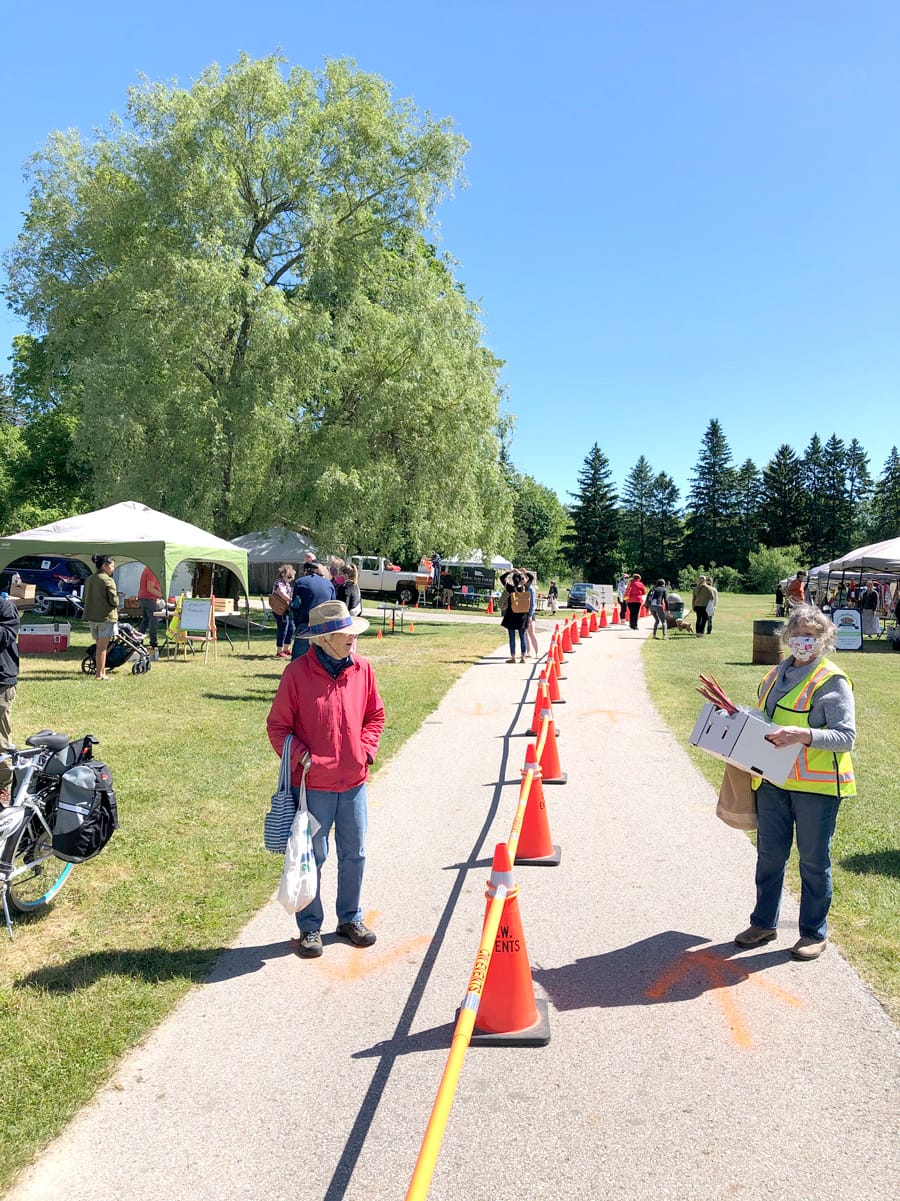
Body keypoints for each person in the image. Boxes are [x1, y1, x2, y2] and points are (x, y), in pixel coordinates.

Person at [734, 605, 856, 961]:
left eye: (814, 637)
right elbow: (765, 720)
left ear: (825, 641)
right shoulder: (774, 675)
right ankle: (763, 924)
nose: (805, 642)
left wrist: (802, 735)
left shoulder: (831, 680)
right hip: (773, 780)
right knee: (769, 856)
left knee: (814, 862)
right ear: (787, 637)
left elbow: (846, 737)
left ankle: (813, 933)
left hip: (816, 788)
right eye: (799, 634)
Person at [267, 600, 385, 959]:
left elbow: (375, 716)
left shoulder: (363, 669)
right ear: (323, 639)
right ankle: (309, 927)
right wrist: (305, 758)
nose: (352, 639)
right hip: (314, 786)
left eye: (352, 633)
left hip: (353, 782)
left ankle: (350, 918)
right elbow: (278, 727)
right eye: (344, 634)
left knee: (356, 854)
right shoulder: (296, 674)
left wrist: (364, 750)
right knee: (312, 857)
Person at [82, 554, 119, 680]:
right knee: (102, 648)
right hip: (105, 618)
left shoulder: (90, 579)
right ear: (104, 566)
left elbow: (84, 598)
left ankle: (102, 672)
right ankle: (100, 674)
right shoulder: (108, 580)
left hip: (92, 617)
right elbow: (114, 601)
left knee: (99, 647)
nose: (113, 569)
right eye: (112, 566)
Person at [290, 561, 336, 661]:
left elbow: (295, 605)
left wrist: (297, 622)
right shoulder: (329, 584)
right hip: (324, 625)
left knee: (299, 657)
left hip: (306, 623)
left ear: (306, 570)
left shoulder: (300, 582)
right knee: (322, 656)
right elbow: (333, 605)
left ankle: (296, 675)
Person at [0, 593, 20, 804]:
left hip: (1, 681)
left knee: (0, 739)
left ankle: (2, 788)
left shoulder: (5, 607)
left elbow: (6, 636)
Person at [499, 569, 534, 662]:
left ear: (513, 580)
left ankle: (513, 657)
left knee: (512, 637)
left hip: (511, 615)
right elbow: (531, 578)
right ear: (521, 580)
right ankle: (523, 657)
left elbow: (501, 578)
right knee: (522, 636)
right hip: (522, 616)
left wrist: (510, 571)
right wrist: (525, 572)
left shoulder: (510, 588)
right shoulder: (525, 587)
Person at [137, 564, 163, 659]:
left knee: (145, 620)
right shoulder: (152, 570)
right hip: (148, 598)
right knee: (154, 620)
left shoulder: (148, 569)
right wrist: (162, 595)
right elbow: (150, 588)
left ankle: (138, 640)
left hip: (143, 598)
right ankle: (153, 643)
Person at [272, 564, 296, 658]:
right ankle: (279, 650)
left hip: (286, 609)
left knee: (291, 627)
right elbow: (281, 592)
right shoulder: (279, 583)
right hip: (280, 609)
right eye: (289, 577)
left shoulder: (287, 584)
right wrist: (290, 600)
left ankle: (286, 649)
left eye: (291, 577)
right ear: (283, 574)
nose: (290, 579)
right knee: (283, 628)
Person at [525, 575, 540, 658]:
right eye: (521, 579)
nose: (522, 580)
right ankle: (528, 651)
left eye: (523, 578)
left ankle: (537, 652)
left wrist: (530, 616)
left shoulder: (531, 589)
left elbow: (533, 605)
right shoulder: (521, 588)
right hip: (523, 613)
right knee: (525, 633)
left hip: (530, 613)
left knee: (531, 632)